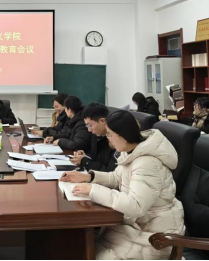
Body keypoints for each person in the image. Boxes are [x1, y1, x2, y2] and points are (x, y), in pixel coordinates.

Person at [63, 110, 185, 260]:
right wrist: (88, 177)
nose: (108, 139)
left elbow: (136, 205)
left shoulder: (147, 163)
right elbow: (117, 177)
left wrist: (93, 190)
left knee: (84, 251)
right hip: (137, 228)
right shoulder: (132, 152)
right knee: (79, 244)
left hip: (154, 239)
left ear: (122, 136)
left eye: (110, 134)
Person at [67, 103, 117, 173]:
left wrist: (85, 162)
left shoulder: (116, 140)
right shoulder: (97, 134)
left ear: (102, 121)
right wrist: (85, 156)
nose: (89, 130)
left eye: (90, 125)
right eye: (87, 126)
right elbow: (97, 158)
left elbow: (110, 172)